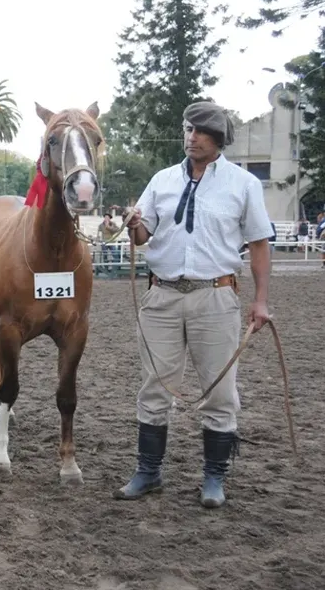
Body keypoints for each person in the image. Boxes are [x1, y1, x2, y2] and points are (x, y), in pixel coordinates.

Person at [114, 101, 273, 509]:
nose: (191, 137)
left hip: (216, 297)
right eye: (188, 130)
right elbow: (144, 236)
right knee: (153, 387)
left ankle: (214, 478)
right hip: (161, 296)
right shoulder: (162, 181)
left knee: (219, 392)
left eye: (200, 132)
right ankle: (148, 472)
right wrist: (135, 223)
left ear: (218, 139)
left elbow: (258, 244)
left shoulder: (243, 184)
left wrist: (260, 301)